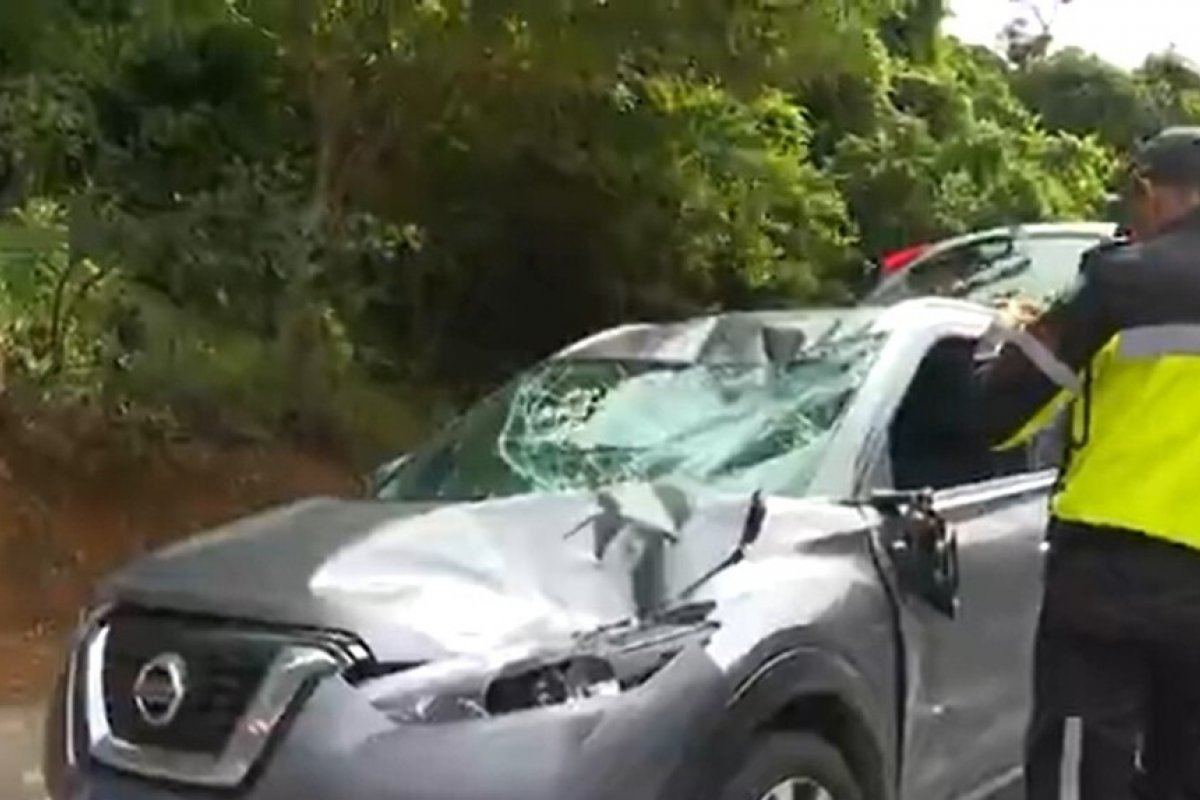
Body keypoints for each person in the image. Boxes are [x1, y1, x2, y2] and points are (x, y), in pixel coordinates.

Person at [978, 125, 1200, 800]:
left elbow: (1000, 416)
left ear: (1153, 192)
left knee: (1083, 775)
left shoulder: (1123, 279)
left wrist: (1005, 339)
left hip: (1106, 580)